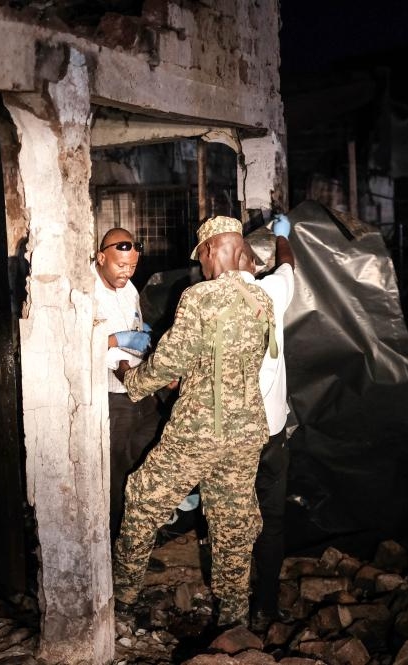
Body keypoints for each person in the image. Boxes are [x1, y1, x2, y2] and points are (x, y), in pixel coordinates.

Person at [112, 215, 275, 627]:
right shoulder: (262, 301)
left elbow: (171, 359)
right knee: (232, 519)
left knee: (143, 497)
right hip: (247, 430)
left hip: (199, 431)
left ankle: (122, 595)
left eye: (202, 255)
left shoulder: (199, 297)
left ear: (213, 250)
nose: (201, 266)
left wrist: (133, 381)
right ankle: (233, 615)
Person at [239, 214, 296, 631]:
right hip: (272, 433)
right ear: (258, 266)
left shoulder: (208, 301)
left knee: (233, 520)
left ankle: (232, 609)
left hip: (235, 438)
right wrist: (281, 237)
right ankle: (265, 604)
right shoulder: (273, 293)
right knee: (271, 522)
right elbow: (289, 265)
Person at [93, 228, 158, 542]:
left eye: (132, 267)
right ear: (101, 257)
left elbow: (134, 325)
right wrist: (116, 340)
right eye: (120, 266)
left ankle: (135, 539)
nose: (126, 273)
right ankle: (113, 541)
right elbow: (76, 344)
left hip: (138, 386)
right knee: (115, 471)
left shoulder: (129, 287)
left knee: (139, 461)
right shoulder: (87, 292)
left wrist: (138, 332)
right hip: (111, 394)